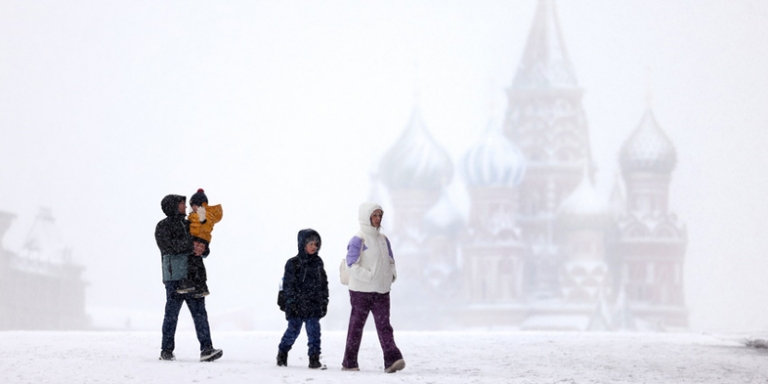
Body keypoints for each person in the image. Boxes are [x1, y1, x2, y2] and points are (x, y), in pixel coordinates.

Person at [155, 194, 223, 362]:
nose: (185, 207)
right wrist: (190, 246)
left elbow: (202, 240)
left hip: (195, 277)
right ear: (172, 206)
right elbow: (167, 246)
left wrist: (203, 248)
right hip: (175, 277)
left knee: (200, 314)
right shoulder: (162, 226)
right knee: (171, 315)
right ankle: (166, 350)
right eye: (181, 204)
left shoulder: (190, 223)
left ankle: (207, 349)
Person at [341, 202, 405, 373]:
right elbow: (350, 265)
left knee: (384, 326)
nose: (378, 219)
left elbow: (390, 260)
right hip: (361, 292)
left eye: (380, 215)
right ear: (366, 217)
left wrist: (392, 275)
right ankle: (349, 362)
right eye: (374, 215)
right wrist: (369, 276)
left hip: (382, 291)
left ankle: (392, 360)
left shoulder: (383, 239)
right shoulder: (358, 239)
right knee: (356, 327)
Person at [277, 228, 329, 369]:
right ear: (302, 244)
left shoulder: (318, 263)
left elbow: (323, 284)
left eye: (316, 244)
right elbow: (288, 285)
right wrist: (290, 302)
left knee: (314, 333)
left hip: (313, 304)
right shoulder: (293, 263)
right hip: (297, 304)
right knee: (293, 331)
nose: (314, 247)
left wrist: (324, 301)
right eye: (311, 244)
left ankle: (314, 358)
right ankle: (282, 352)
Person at [176, 188, 223, 297]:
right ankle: (200, 287)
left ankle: (190, 283)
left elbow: (206, 226)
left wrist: (202, 217)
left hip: (198, 239)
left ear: (200, 204)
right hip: (200, 240)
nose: (192, 207)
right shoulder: (197, 214)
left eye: (193, 205)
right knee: (197, 262)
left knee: (191, 262)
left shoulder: (204, 214)